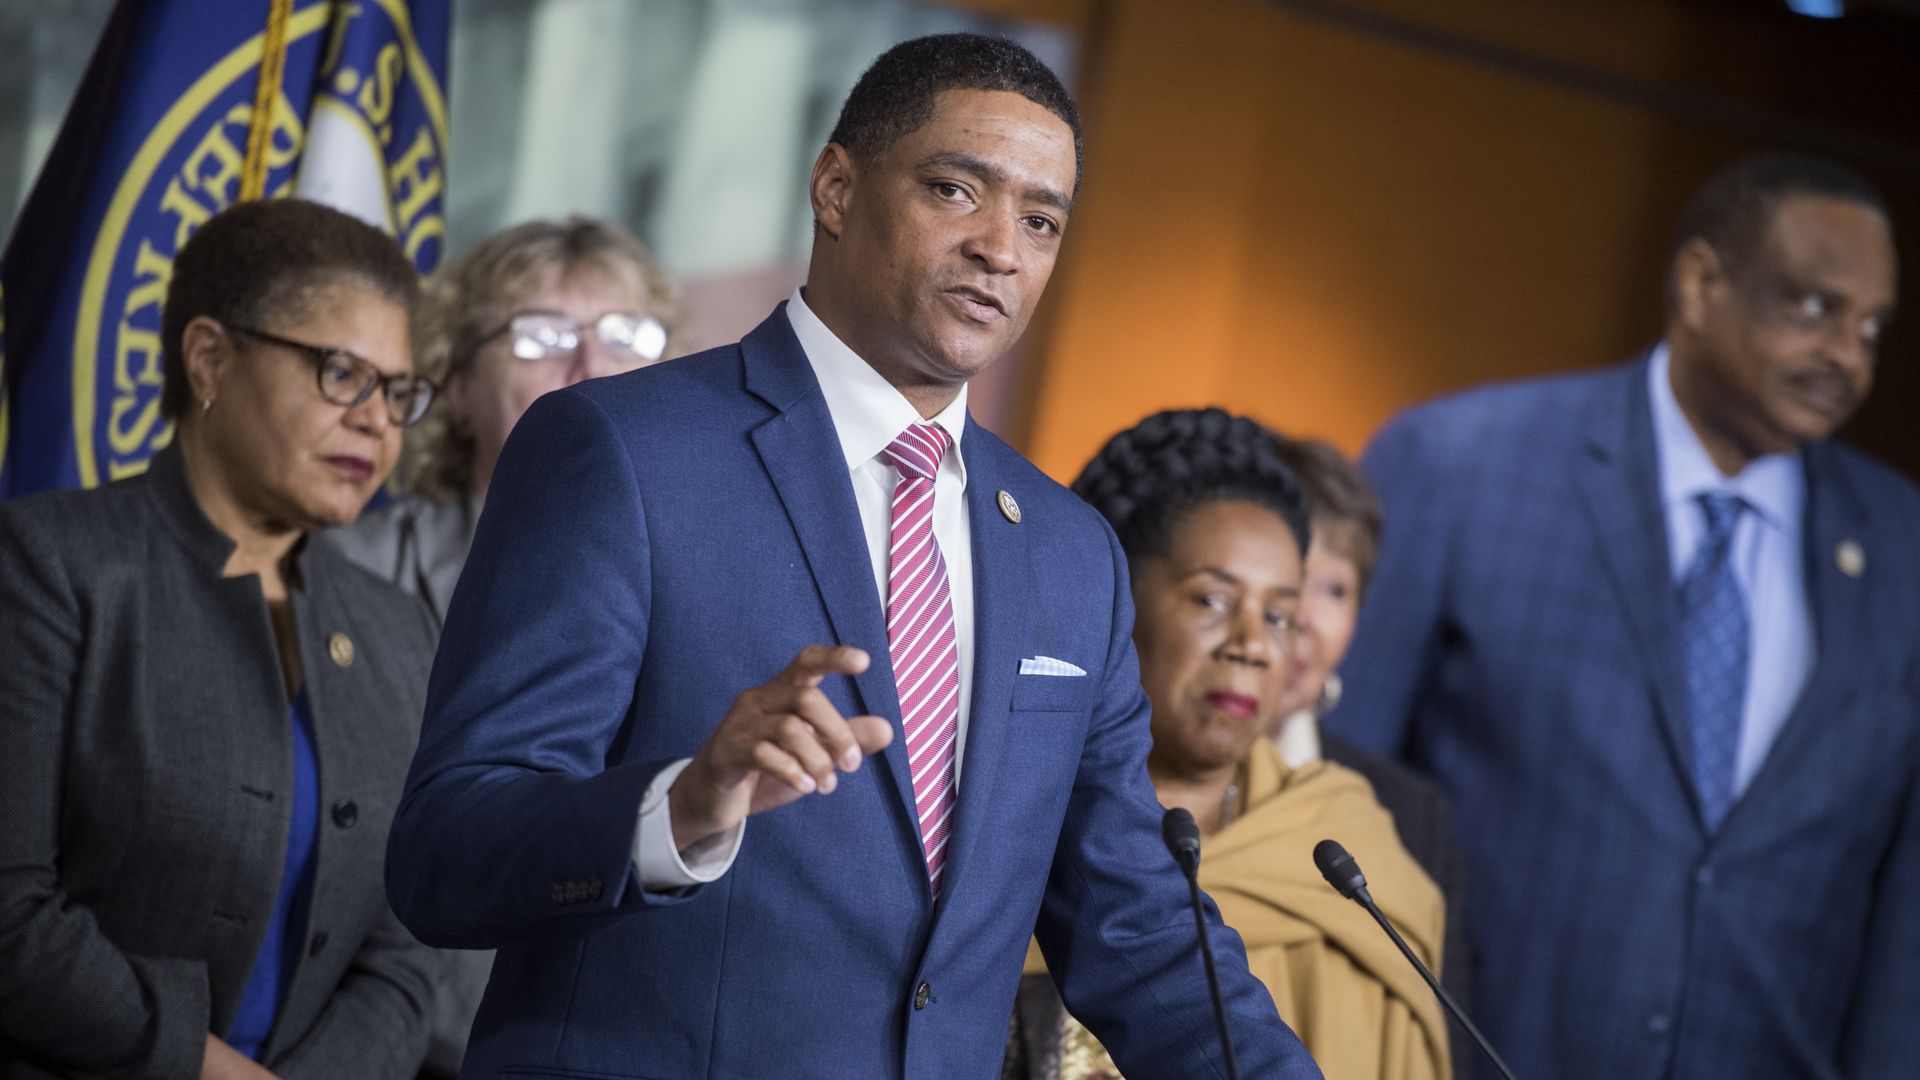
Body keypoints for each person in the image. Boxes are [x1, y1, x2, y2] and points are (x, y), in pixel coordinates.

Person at [385, 34, 1322, 1079]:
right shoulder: (622, 453)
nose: (1001, 248)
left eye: (1041, 219)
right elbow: (446, 852)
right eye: (957, 190)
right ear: (836, 187)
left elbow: (1139, 926)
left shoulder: (1071, 555)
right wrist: (682, 806)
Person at [1331, 152, 1916, 1080]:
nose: (1846, 355)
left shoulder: (1903, 550)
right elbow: (1332, 797)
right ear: (1700, 284)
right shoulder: (1459, 465)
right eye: (1814, 307)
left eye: (1872, 327)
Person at [0, 198, 439, 1079]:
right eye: (341, 373)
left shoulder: (399, 627)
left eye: (396, 391)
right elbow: (9, 911)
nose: (377, 421)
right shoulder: (48, 565)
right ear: (209, 358)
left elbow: (403, 957)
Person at [1003, 408, 1450, 1080]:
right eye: (1212, 600)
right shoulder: (1002, 812)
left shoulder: (1355, 862)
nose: (1251, 645)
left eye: (1278, 616)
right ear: (1115, 600)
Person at [327, 216, 681, 627]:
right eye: (542, 336)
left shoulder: (721, 566)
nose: (593, 367)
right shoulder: (350, 566)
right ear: (457, 386)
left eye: (625, 336)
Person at [1264, 436, 1474, 1080]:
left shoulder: (1407, 816)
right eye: (1286, 576)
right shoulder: (1127, 778)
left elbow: (1441, 1040)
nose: (1302, 617)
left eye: (1334, 588)